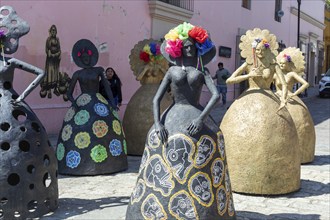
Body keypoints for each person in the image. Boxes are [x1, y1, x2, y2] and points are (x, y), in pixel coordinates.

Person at [126, 22, 236, 219]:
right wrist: (158, 123)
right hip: (171, 116)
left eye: (192, 46)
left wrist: (202, 119)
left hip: (196, 115)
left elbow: (215, 96)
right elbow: (156, 99)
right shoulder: (172, 71)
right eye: (184, 46)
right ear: (177, 49)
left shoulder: (203, 72)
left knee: (208, 148)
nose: (188, 48)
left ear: (198, 49)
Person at [220, 28, 301, 195]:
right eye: (256, 51)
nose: (259, 54)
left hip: (270, 100)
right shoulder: (249, 64)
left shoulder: (273, 64)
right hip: (248, 100)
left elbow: (284, 85)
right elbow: (230, 80)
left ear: (266, 50)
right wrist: (248, 76)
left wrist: (284, 99)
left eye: (261, 51)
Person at [0, 5, 58, 219]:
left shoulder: (10, 61)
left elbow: (40, 73)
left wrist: (22, 96)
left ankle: (26, 196)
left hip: (12, 105)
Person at [56, 39, 127, 175]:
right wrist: (75, 103)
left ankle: (109, 160)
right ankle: (76, 163)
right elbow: (69, 92)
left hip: (99, 101)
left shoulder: (99, 70)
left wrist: (112, 103)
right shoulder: (78, 74)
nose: (86, 60)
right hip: (82, 102)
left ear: (91, 57)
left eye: (88, 57)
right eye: (84, 58)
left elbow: (106, 86)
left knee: (104, 128)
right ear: (80, 60)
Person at [274, 47, 315, 163]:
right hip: (277, 98)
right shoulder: (277, 74)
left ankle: (301, 153)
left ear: (288, 64)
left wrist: (295, 94)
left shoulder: (291, 74)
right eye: (280, 64)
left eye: (284, 64)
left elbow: (305, 84)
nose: (281, 66)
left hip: (290, 98)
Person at [40, 24, 61, 98]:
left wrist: (57, 54)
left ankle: (55, 89)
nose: (53, 32)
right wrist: (51, 54)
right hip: (50, 60)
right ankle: (49, 91)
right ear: (50, 31)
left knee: (56, 74)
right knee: (50, 74)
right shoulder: (48, 39)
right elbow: (47, 49)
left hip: (56, 60)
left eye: (54, 30)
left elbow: (59, 48)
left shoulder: (57, 39)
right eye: (52, 30)